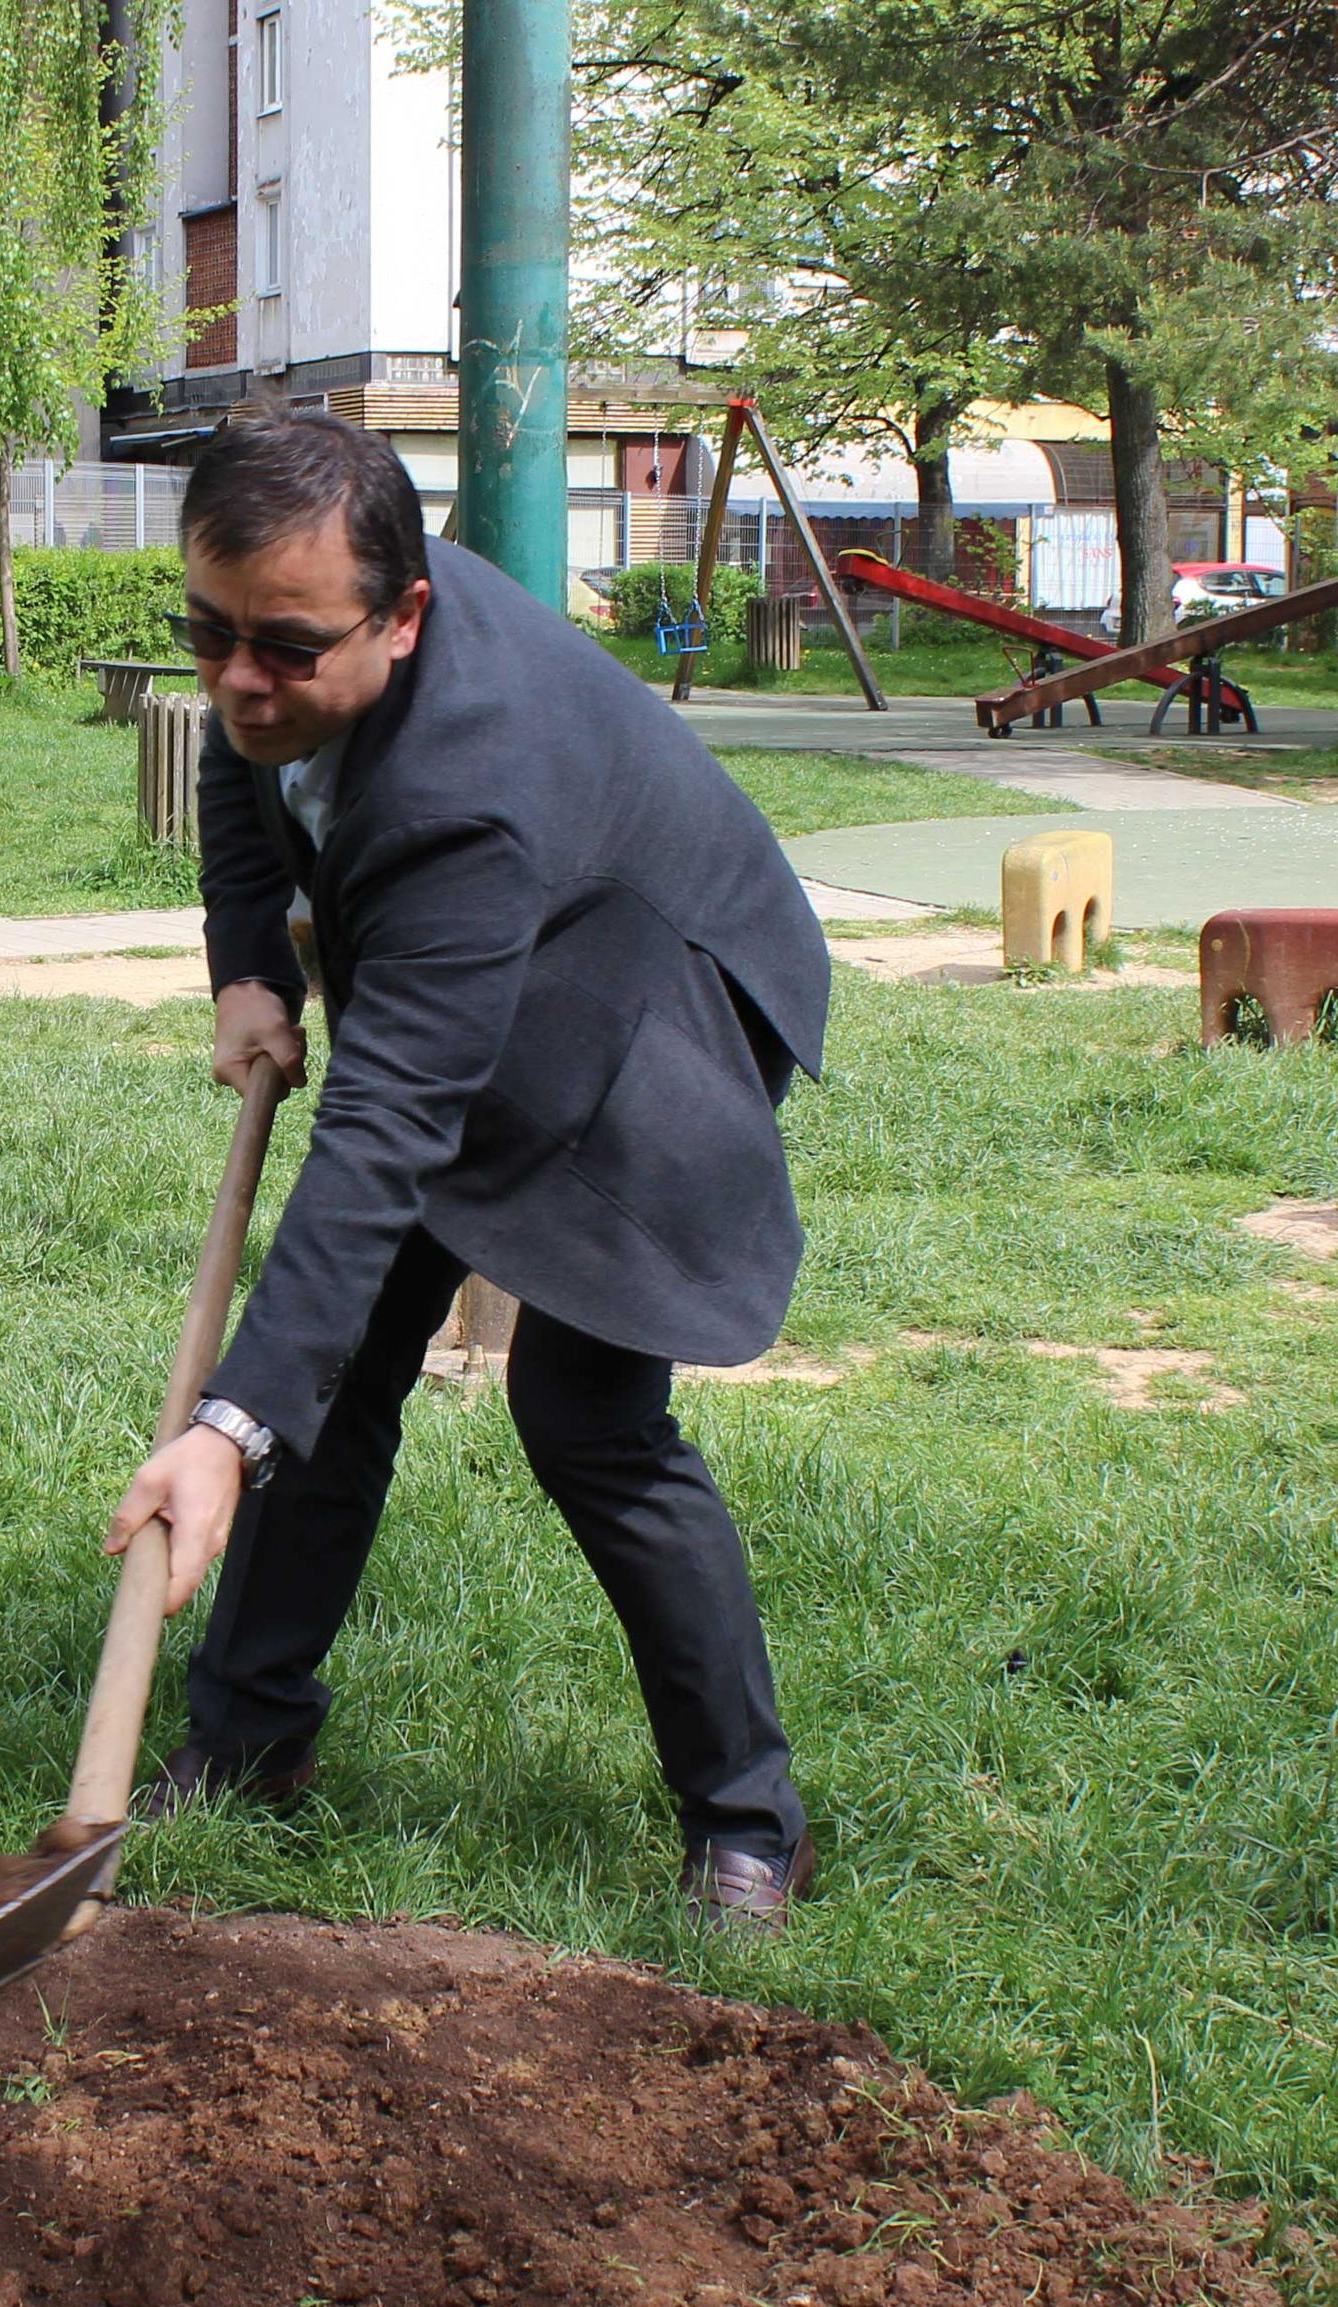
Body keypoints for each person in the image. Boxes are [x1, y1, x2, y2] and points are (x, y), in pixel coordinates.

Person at [105, 410, 836, 1929]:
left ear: (406, 613)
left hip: (651, 1008)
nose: (242, 676)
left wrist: (224, 1427)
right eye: (209, 631)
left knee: (589, 1419)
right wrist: (250, 965)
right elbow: (255, 764)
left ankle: (750, 1822)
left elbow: (385, 1130)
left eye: (288, 648)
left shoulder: (466, 790)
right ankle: (250, 1742)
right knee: (346, 1368)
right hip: (493, 955)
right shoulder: (294, 648)